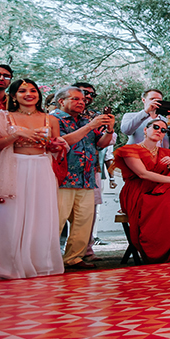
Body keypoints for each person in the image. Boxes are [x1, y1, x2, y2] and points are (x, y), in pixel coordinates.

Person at [0, 78, 65, 282]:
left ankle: (38, 263)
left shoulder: (50, 119)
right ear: (14, 96)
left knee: (39, 214)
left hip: (41, 168)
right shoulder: (3, 117)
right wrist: (16, 135)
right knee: (8, 215)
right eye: (22, 91)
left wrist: (56, 146)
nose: (29, 94)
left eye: (33, 90)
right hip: (13, 167)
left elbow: (53, 147)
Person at [115, 119, 170, 263]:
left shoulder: (166, 153)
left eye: (163, 130)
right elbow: (142, 174)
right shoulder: (129, 150)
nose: (159, 131)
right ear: (145, 130)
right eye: (156, 127)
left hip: (160, 189)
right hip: (138, 192)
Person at [52, 86, 114, 270]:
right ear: (61, 101)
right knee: (57, 220)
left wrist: (109, 130)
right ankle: (49, 258)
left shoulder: (86, 120)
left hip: (87, 176)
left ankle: (73, 258)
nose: (82, 102)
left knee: (83, 220)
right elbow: (61, 142)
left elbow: (100, 144)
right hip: (63, 177)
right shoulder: (54, 119)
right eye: (76, 99)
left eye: (83, 100)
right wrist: (90, 126)